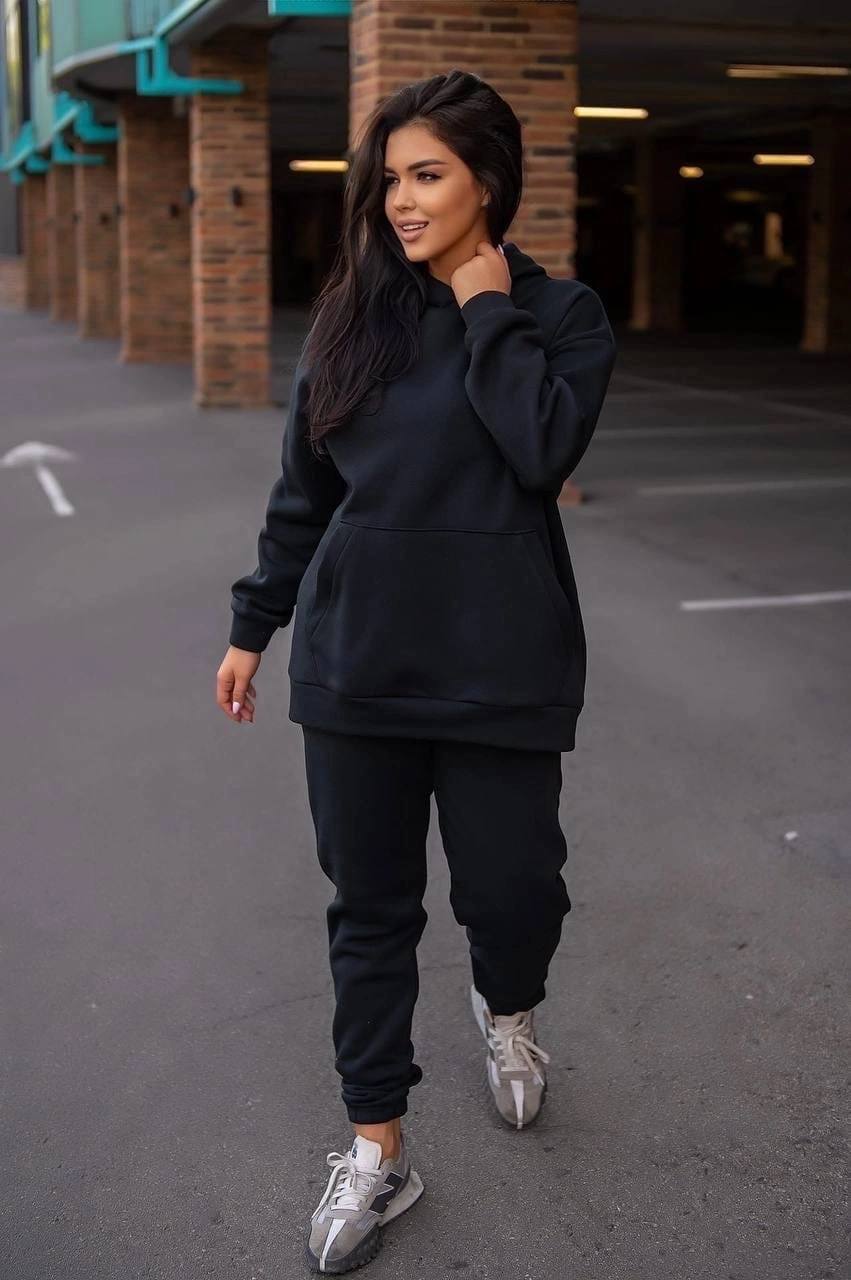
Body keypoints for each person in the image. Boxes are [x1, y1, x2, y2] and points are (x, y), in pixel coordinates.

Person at [216, 69, 617, 1276]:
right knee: (371, 909)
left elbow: (539, 450)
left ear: (487, 180)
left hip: (502, 665)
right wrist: (254, 622)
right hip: (358, 660)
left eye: (425, 174)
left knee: (514, 894)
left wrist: (487, 310)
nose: (398, 199)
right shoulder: (352, 319)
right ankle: (376, 1143)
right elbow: (304, 491)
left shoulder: (559, 315)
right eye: (387, 178)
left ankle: (507, 1008)